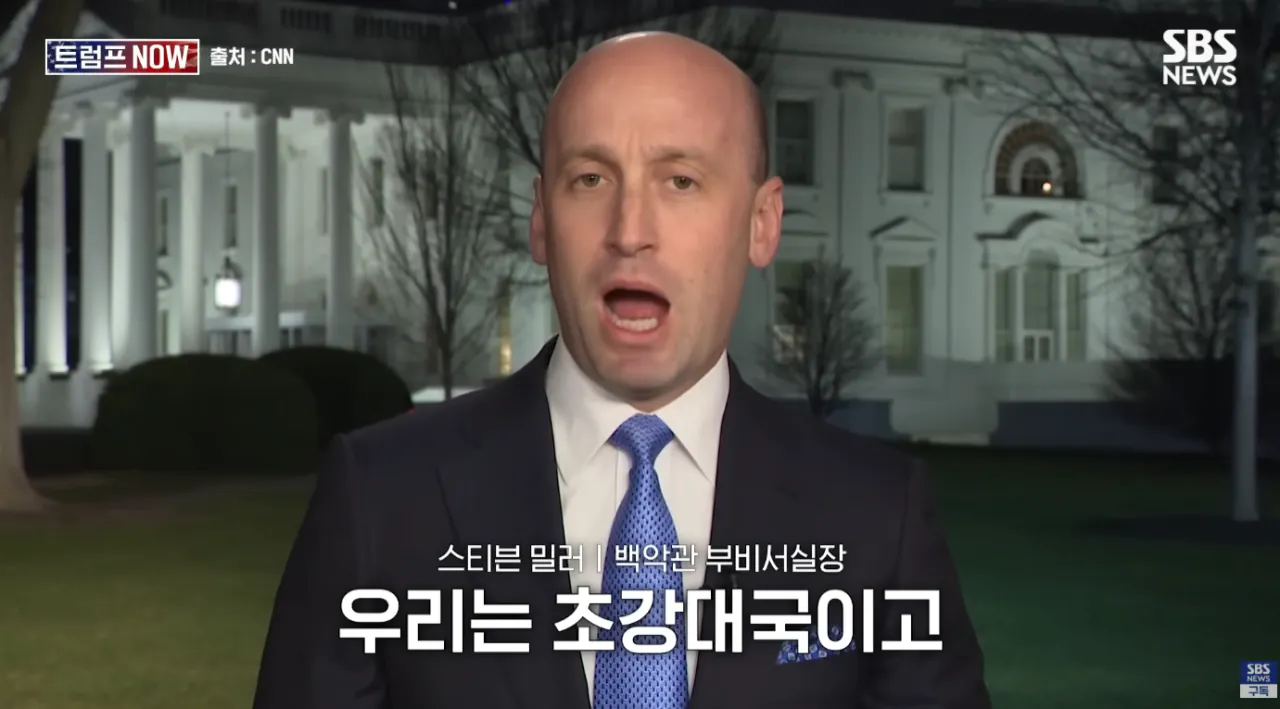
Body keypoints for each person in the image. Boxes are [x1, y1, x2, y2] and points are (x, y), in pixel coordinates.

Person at [252, 31, 990, 709]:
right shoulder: (381, 496)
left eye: (680, 181)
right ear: (541, 219)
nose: (630, 231)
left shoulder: (876, 514)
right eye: (590, 179)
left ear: (761, 223)